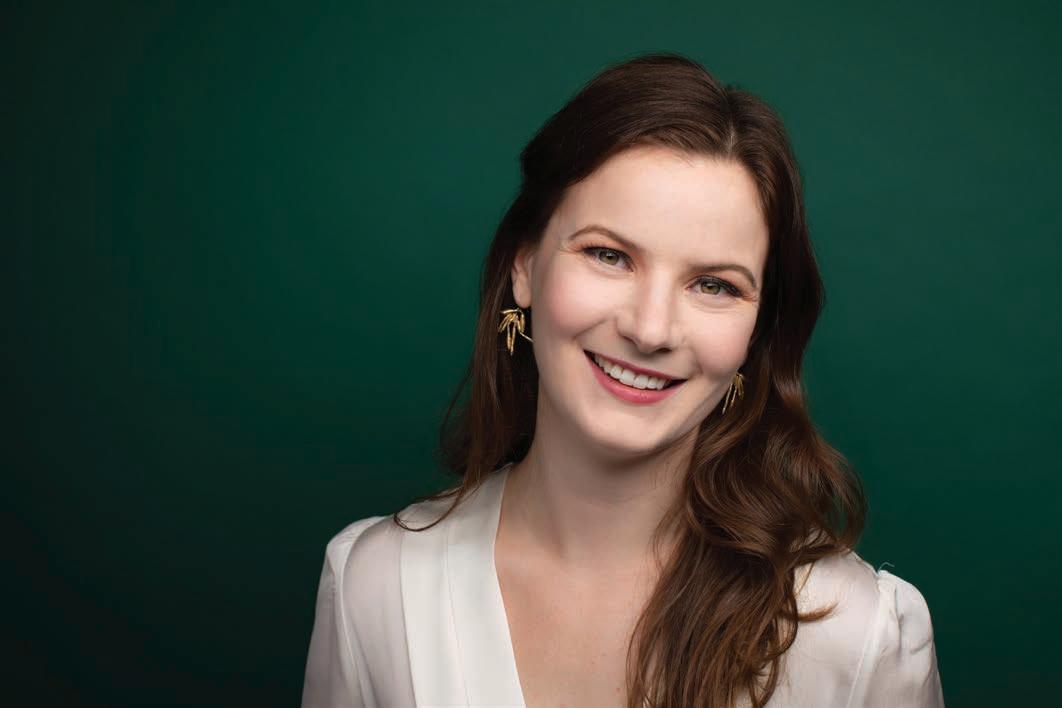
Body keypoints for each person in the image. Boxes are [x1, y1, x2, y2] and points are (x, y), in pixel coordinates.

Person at [300, 52, 945, 708]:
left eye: (714, 285)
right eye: (609, 255)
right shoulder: (375, 586)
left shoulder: (856, 636)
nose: (650, 328)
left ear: (755, 336)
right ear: (524, 265)